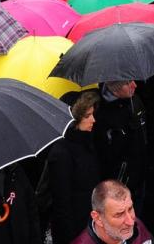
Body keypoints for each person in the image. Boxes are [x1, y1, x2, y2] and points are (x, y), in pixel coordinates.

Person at [47, 92, 103, 244]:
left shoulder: (87, 141)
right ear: (74, 119)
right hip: (74, 231)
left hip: (90, 223)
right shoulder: (61, 152)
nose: (93, 120)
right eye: (87, 116)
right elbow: (61, 203)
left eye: (93, 114)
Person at [93, 80, 148, 210]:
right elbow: (102, 155)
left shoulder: (135, 101)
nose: (135, 85)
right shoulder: (101, 111)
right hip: (117, 187)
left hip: (139, 181)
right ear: (115, 87)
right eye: (128, 83)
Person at [70, 180, 154, 244]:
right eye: (119, 214)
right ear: (98, 218)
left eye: (130, 209)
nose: (131, 222)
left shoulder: (138, 227)